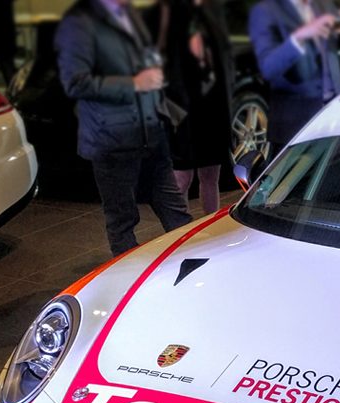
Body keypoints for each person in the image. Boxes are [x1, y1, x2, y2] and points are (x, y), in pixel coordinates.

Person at [56, 0, 193, 257]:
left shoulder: (129, 13)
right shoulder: (79, 22)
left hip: (152, 133)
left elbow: (146, 60)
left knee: (178, 215)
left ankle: (195, 269)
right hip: (112, 141)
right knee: (122, 222)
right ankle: (130, 278)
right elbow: (75, 82)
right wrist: (133, 83)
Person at [248, 0, 340, 157]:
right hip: (295, 128)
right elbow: (268, 69)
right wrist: (299, 36)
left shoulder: (325, 5)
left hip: (335, 119)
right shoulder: (265, 10)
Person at [153, 0, 234, 214]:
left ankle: (210, 226)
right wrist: (169, 110)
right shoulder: (169, 10)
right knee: (182, 177)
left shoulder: (212, 9)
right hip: (181, 107)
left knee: (211, 175)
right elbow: (156, 60)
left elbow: (224, 55)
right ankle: (179, 228)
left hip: (212, 105)